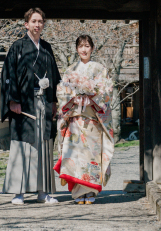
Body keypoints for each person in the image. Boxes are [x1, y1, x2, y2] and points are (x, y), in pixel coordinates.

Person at [0, 8, 62, 205]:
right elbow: (8, 75)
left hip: (43, 101)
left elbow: (53, 75)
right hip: (23, 103)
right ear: (26, 24)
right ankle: (18, 192)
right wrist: (13, 100)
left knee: (44, 144)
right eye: (34, 21)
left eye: (40, 21)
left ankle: (43, 192)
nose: (37, 25)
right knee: (22, 144)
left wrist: (53, 101)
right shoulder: (17, 47)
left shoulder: (46, 47)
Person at [54, 35, 115, 205]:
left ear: (92, 48)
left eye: (87, 46)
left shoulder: (100, 69)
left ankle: (91, 192)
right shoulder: (70, 70)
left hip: (93, 119)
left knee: (92, 155)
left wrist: (93, 98)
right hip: (75, 118)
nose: (84, 49)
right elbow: (62, 92)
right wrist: (73, 98)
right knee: (76, 156)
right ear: (76, 49)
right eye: (81, 46)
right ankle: (78, 193)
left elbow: (107, 91)